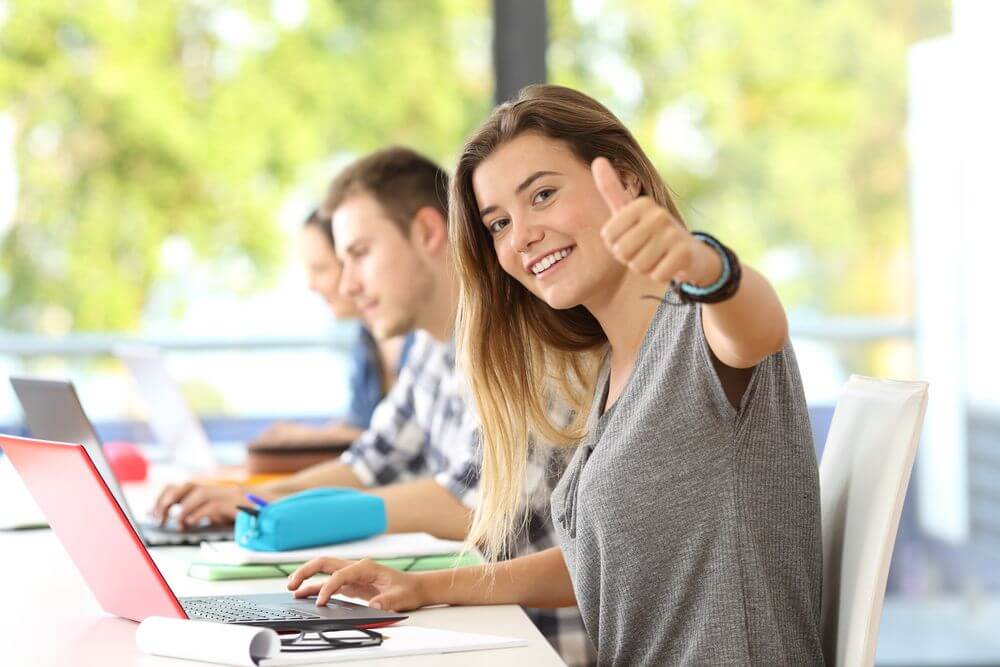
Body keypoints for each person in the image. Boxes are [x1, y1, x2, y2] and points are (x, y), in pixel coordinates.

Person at [286, 86, 824, 665]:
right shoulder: (608, 372)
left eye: (542, 195)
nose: (521, 236)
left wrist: (705, 264)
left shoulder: (698, 326)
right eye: (498, 224)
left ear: (623, 177)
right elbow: (591, 565)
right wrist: (423, 587)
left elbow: (759, 326)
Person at [152, 147, 595, 666]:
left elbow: (475, 504)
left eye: (360, 253)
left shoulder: (525, 343)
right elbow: (369, 462)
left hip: (539, 646)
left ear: (430, 233)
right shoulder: (433, 344)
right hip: (480, 625)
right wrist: (259, 499)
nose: (347, 285)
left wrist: (298, 513)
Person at [250, 208, 412, 448]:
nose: (311, 285)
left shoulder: (429, 339)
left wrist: (311, 437)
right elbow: (365, 430)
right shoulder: (366, 341)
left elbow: (408, 444)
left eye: (320, 269)